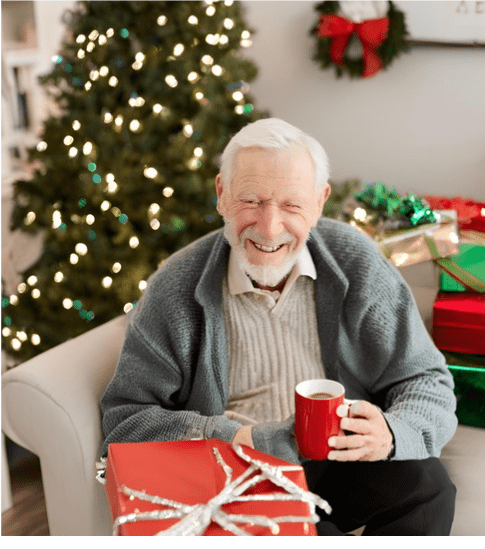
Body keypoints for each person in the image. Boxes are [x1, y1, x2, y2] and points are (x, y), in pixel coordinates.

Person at [100, 118, 458, 536]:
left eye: (291, 205)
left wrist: (390, 435)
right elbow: (126, 422)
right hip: (241, 473)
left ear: (320, 202)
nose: (269, 228)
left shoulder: (355, 262)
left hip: (338, 460)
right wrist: (237, 437)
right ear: (222, 195)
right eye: (251, 201)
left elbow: (426, 379)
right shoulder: (176, 288)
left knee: (429, 486)